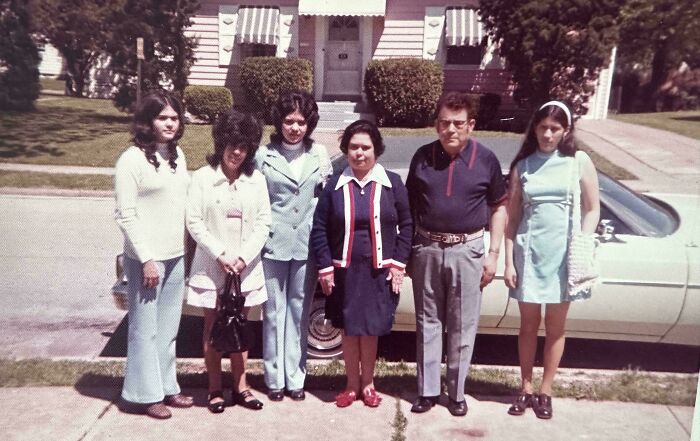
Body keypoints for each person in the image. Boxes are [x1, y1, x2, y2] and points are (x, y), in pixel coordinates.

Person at [406, 91, 507, 416]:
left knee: (463, 325)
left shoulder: (487, 159)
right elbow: (409, 207)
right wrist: (408, 251)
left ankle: (457, 392)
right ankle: (427, 390)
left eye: (459, 123)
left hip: (468, 250)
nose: (451, 129)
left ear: (471, 125)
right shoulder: (422, 157)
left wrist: (493, 254)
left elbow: (499, 207)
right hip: (427, 248)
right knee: (428, 321)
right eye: (445, 123)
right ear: (436, 125)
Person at [503, 101, 600, 419]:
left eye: (554, 129)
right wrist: (509, 262)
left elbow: (592, 208)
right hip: (529, 256)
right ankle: (525, 389)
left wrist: (583, 242)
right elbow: (512, 218)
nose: (547, 134)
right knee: (528, 327)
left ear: (566, 131)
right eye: (542, 127)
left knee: (555, 328)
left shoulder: (578, 162)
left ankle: (546, 392)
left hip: (563, 258)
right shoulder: (524, 166)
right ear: (534, 128)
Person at [310, 120, 413, 408]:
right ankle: (350, 385)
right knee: (348, 327)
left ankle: (368, 384)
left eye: (365, 147)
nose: (359, 153)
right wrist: (325, 267)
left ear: (376, 150)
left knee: (370, 328)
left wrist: (398, 263)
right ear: (346, 150)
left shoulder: (392, 183)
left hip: (379, 272)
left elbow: (407, 225)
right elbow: (319, 227)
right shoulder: (334, 185)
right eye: (353, 147)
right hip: (344, 272)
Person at [186, 110, 271, 413]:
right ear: (221, 142)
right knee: (213, 327)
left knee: (240, 326)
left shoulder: (256, 180)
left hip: (245, 269)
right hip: (212, 267)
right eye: (232, 144)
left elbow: (264, 223)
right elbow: (194, 221)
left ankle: (241, 387)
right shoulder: (202, 178)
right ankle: (214, 389)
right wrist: (220, 254)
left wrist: (244, 257)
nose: (237, 152)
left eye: (244, 146)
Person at [114, 92, 193, 419]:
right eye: (163, 118)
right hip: (147, 259)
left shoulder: (178, 155)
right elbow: (125, 214)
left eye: (174, 118)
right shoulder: (131, 160)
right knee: (144, 329)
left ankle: (167, 386)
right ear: (148, 121)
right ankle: (145, 395)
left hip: (175, 255)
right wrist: (146, 258)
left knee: (168, 327)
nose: (170, 123)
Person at [256, 90, 332, 401]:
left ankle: (296, 378)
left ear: (309, 123)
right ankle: (274, 379)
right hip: (273, 243)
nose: (295, 128)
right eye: (289, 121)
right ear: (279, 122)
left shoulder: (320, 154)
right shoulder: (264, 155)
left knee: (299, 311)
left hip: (307, 244)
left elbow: (324, 199)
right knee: (273, 312)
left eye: (301, 122)